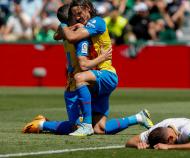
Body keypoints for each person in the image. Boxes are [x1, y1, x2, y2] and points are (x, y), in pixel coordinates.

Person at [22, 3, 154, 136]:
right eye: (74, 15)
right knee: (100, 129)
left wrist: (101, 57)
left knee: (76, 125)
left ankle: (44, 124)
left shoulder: (89, 29)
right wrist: (65, 27)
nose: (78, 18)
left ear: (88, 9)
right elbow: (57, 35)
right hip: (86, 81)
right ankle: (138, 117)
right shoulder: (70, 31)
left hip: (98, 76)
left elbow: (80, 58)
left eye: (79, 14)